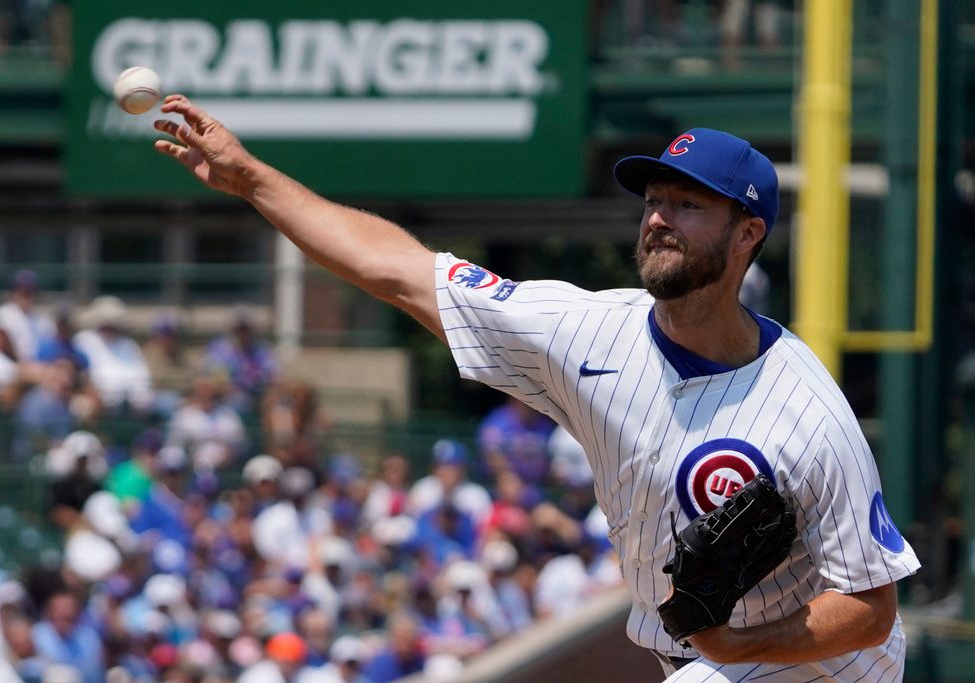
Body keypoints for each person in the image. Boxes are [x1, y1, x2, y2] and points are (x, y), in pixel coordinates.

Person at [152, 98, 920, 680]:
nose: (657, 218)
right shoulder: (584, 333)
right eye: (653, 198)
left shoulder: (806, 410)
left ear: (747, 232)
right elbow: (396, 269)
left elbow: (872, 609)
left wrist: (738, 643)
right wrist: (251, 179)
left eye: (688, 204)